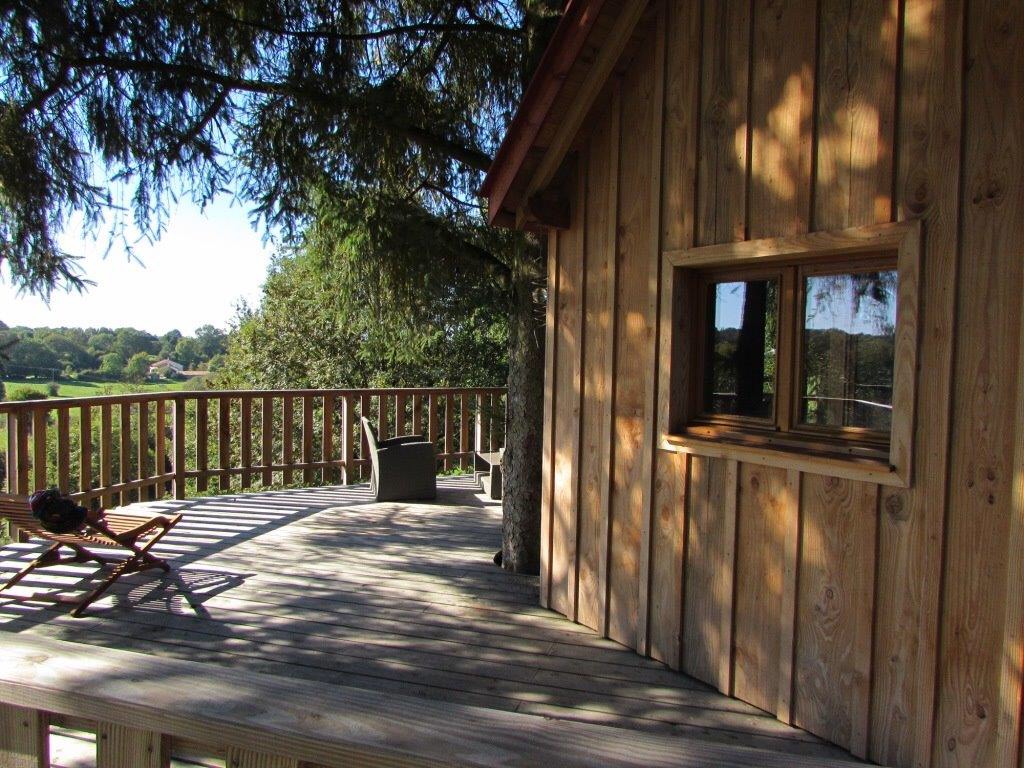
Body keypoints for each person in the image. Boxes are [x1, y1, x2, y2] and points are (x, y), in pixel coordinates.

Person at [28, 489, 105, 535]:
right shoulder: (61, 507)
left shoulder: (44, 519)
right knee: (85, 514)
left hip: (55, 530)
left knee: (81, 516)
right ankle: (98, 522)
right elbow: (78, 512)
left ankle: (96, 524)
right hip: (71, 526)